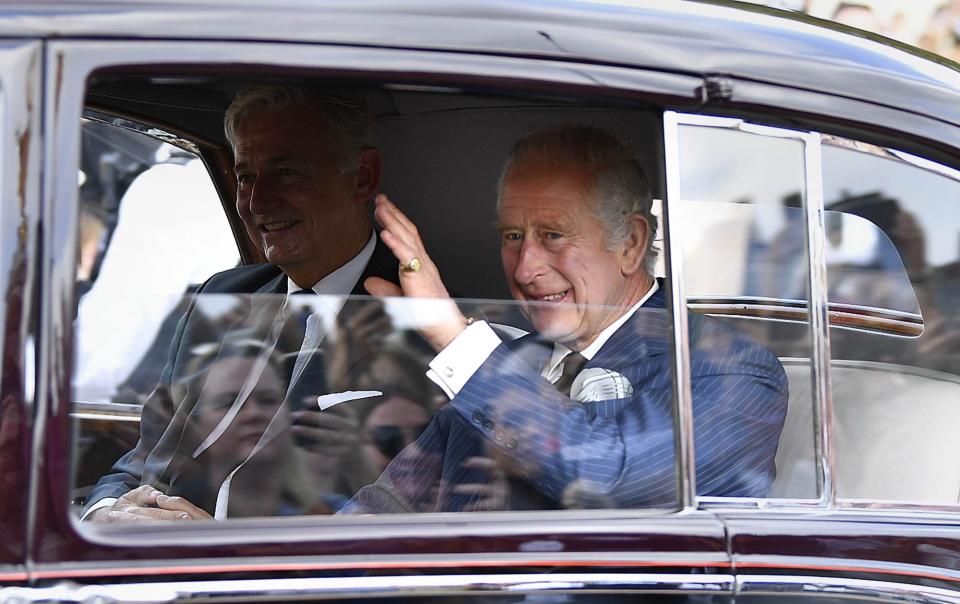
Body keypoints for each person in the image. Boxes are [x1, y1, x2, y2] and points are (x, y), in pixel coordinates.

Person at [349, 124, 789, 512]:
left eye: (554, 235)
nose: (524, 269)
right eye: (513, 236)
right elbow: (388, 505)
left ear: (631, 244)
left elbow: (609, 478)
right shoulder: (504, 363)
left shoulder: (732, 370)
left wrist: (452, 335)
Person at [83, 84, 398, 521]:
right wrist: (102, 514)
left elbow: (395, 519)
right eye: (246, 176)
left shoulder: (428, 321)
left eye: (286, 171)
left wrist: (217, 549)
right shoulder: (223, 296)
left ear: (362, 176)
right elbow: (143, 460)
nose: (258, 202)